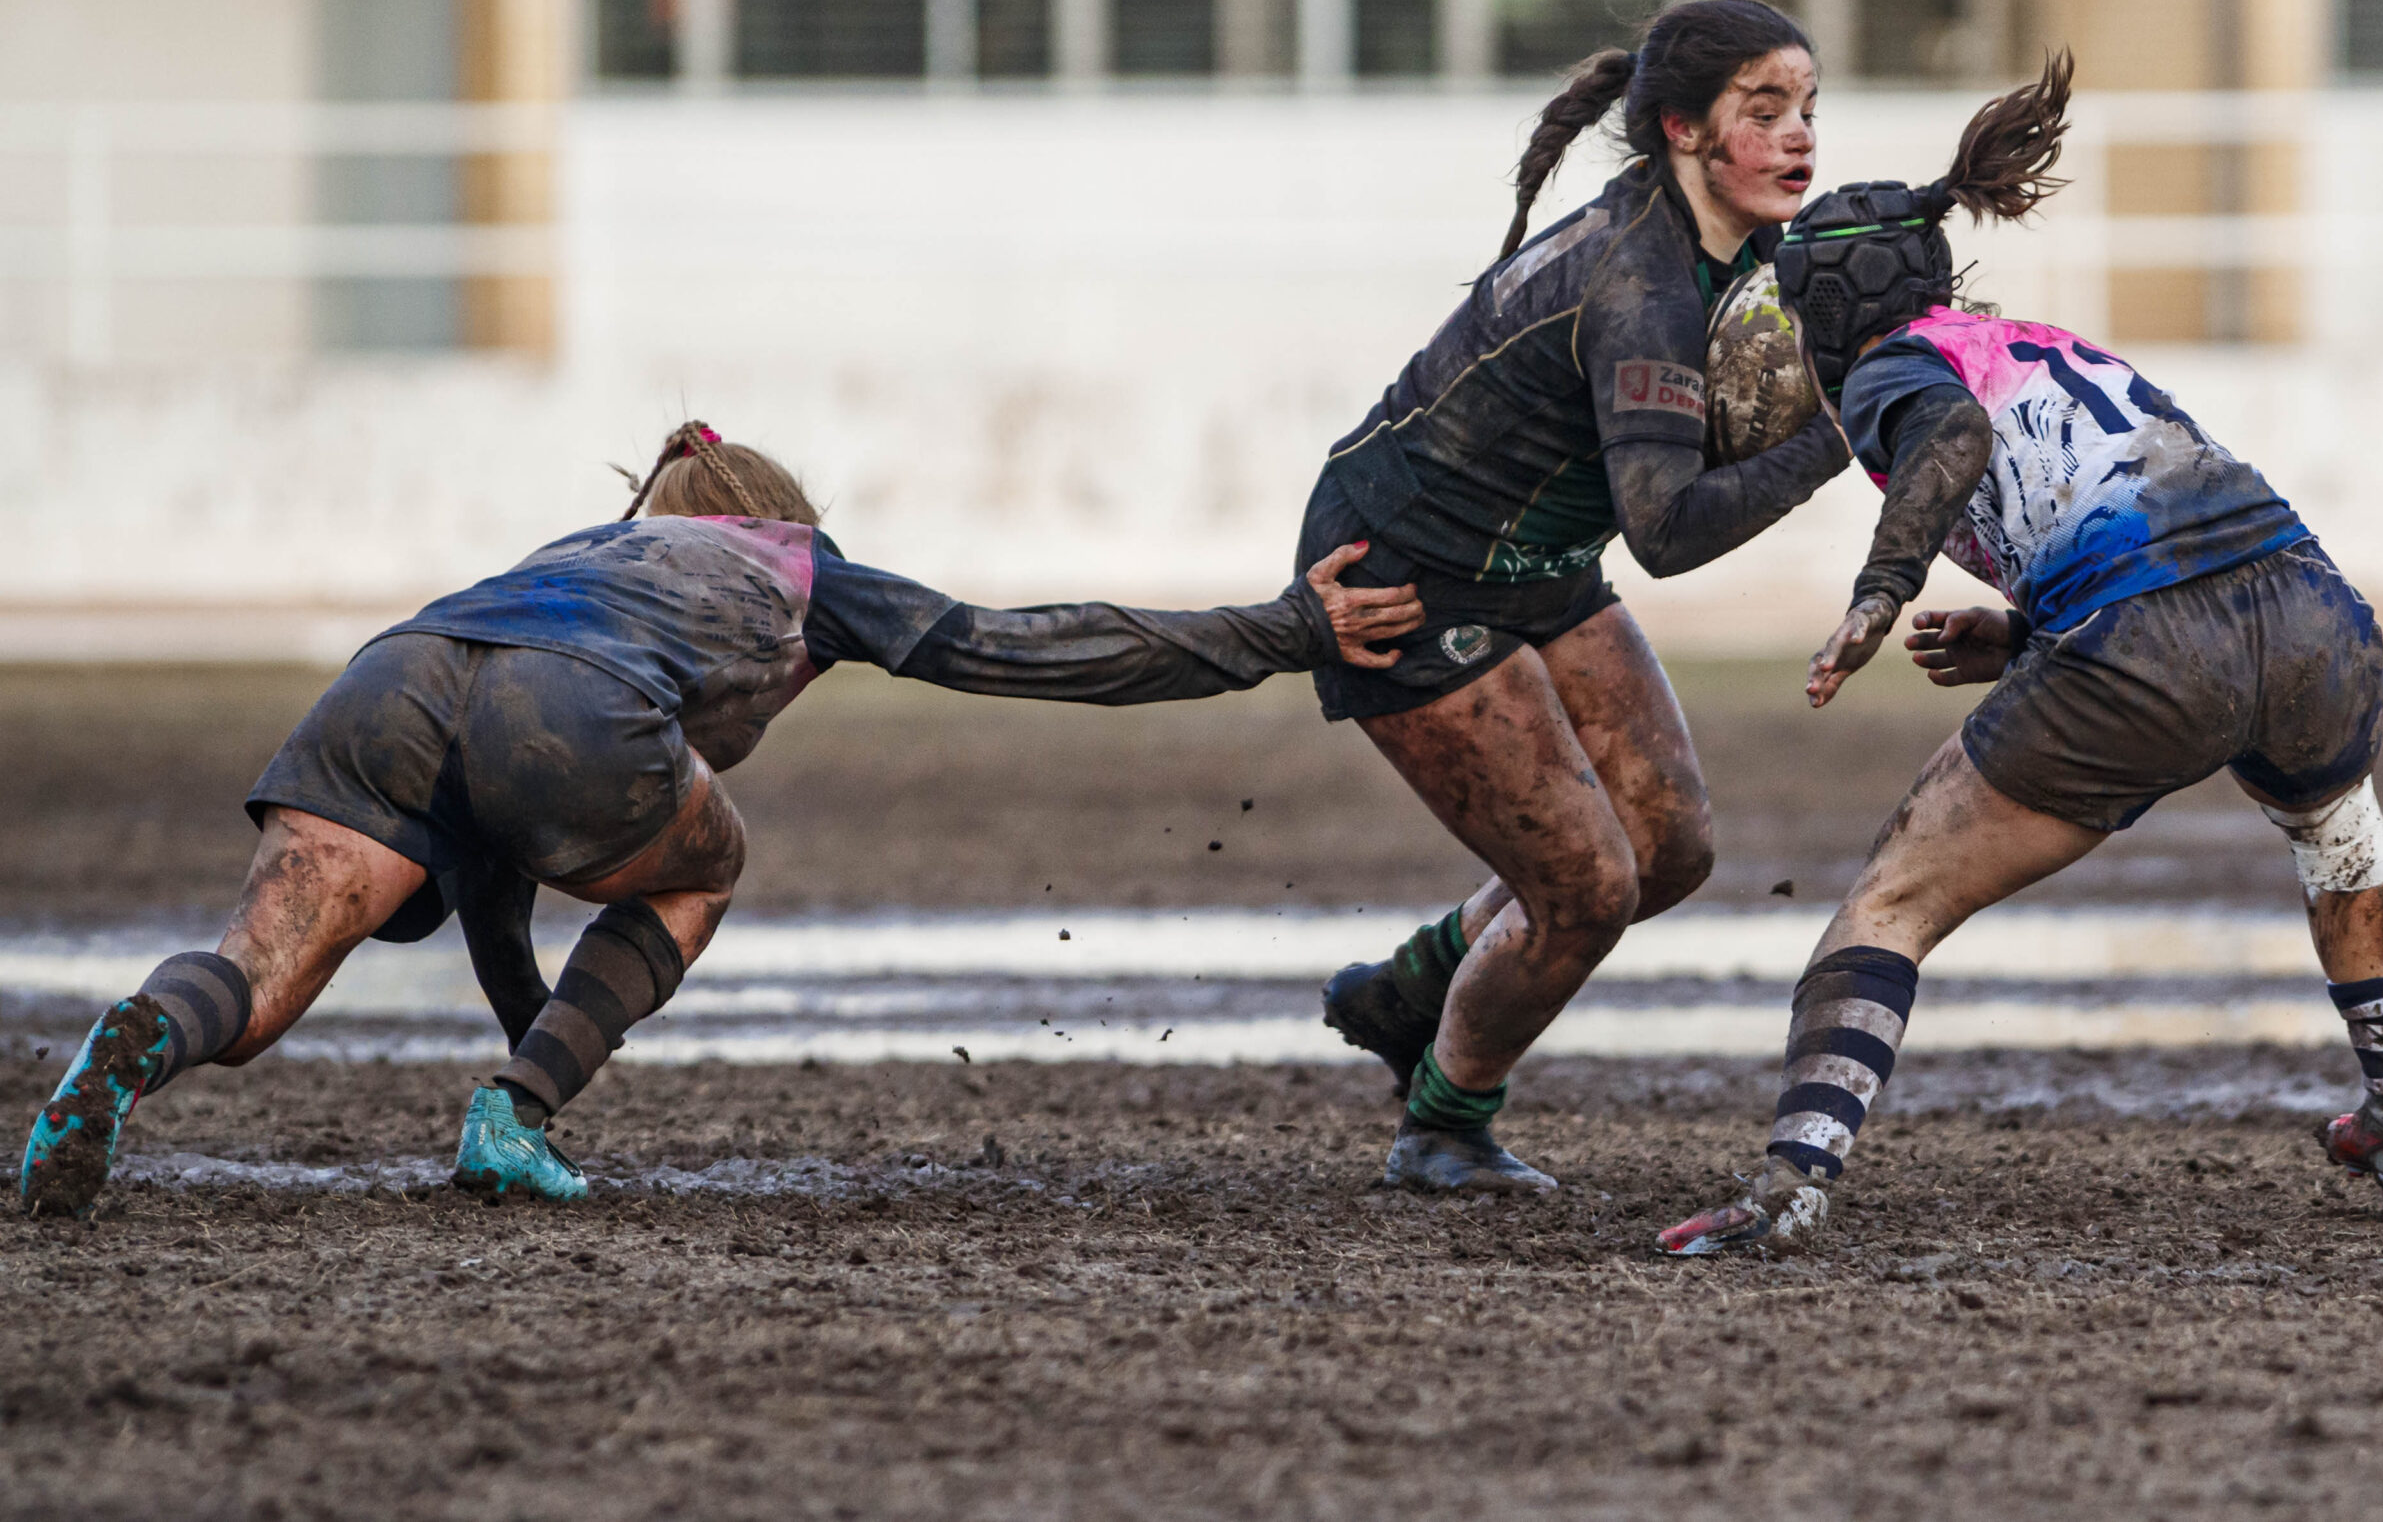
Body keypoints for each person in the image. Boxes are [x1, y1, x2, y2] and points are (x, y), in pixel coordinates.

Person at [19, 422, 1420, 1215]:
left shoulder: (572, 554)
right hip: (570, 707)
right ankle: (511, 1125)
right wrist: (1283, 629)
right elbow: (1028, 647)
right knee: (709, 859)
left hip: (390, 678)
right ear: (781, 520)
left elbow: (496, 853)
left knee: (254, 988)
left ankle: (131, 1046)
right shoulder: (801, 569)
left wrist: (531, 1037)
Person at [1658, 52, 2383, 1256]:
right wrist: (2027, 631)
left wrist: (1878, 593)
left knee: (1893, 899)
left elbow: (1948, 438)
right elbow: (2160, 510)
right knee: (2339, 834)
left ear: (1821, 318)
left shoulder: (1893, 367)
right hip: (2311, 613)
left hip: (2149, 652)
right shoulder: (2031, 338)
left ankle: (1790, 1186)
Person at [1306, 0, 1852, 1194]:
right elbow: (1666, 533)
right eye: (1763, 110)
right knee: (1587, 885)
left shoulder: (1730, 244)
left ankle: (1409, 992)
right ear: (1680, 129)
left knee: (1669, 848)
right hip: (1404, 573)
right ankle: (1442, 1127)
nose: (1799, 135)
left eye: (1807, 108)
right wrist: (1834, 436)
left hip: (1530, 564)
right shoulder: (1642, 285)